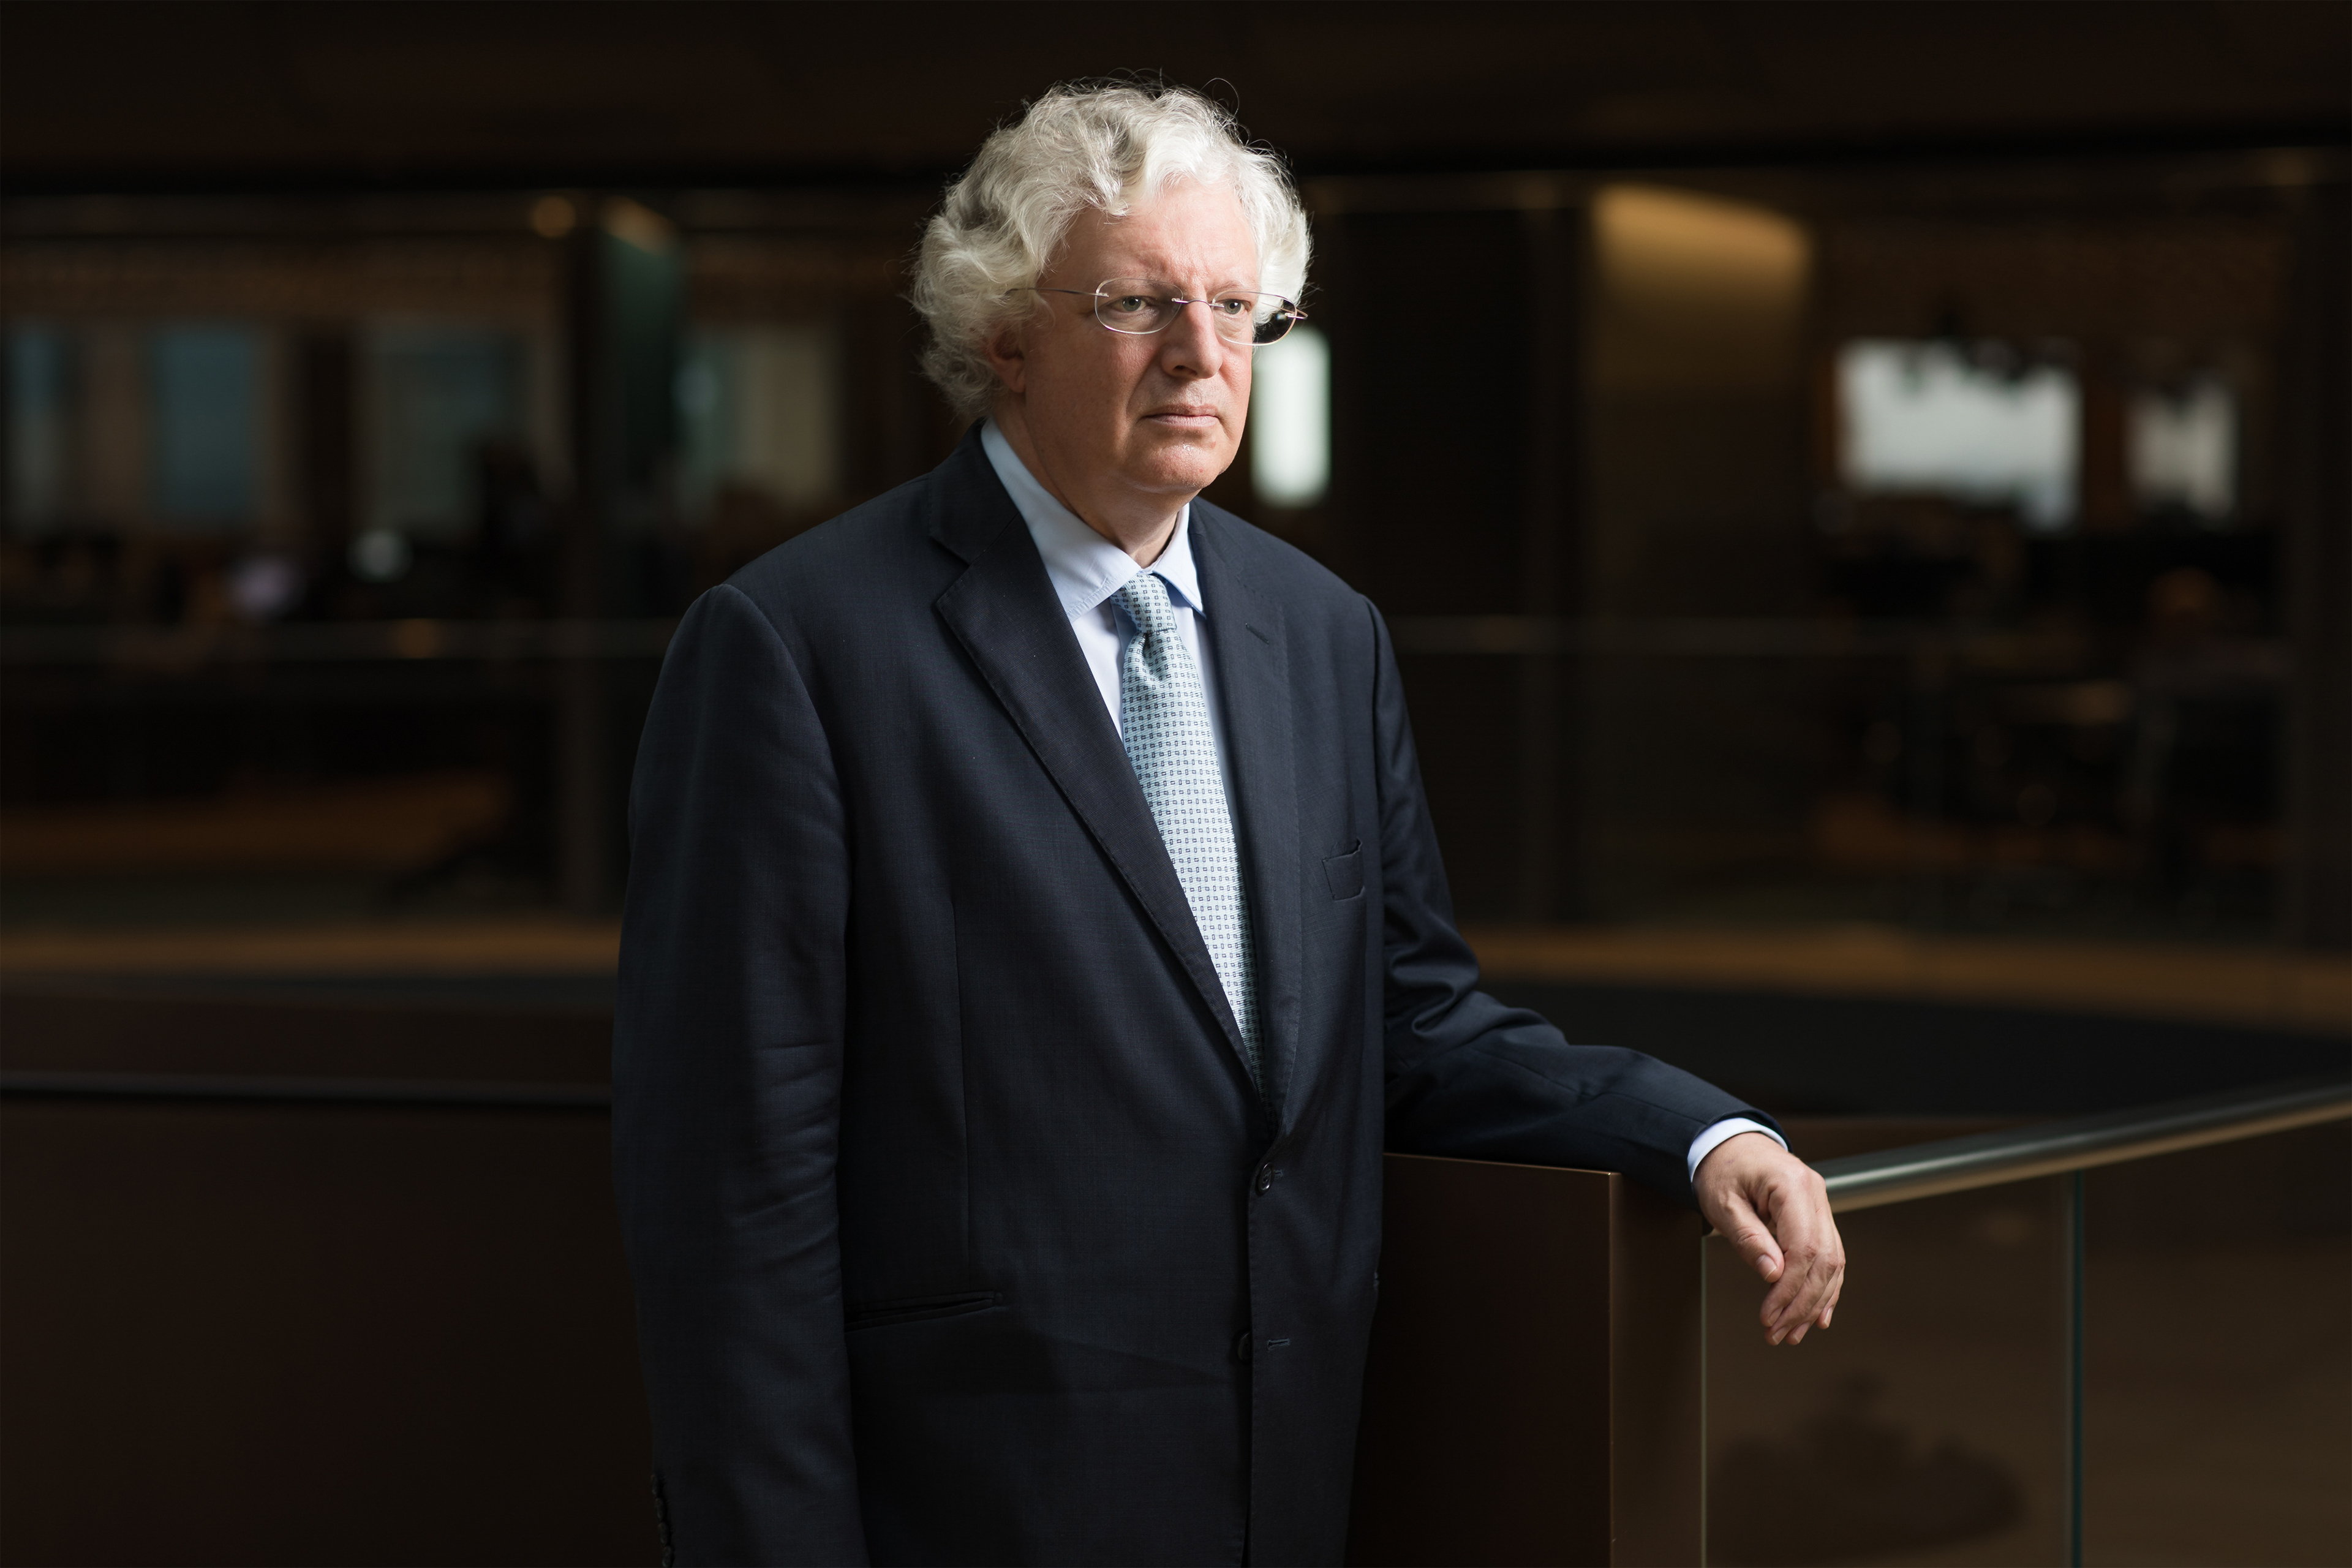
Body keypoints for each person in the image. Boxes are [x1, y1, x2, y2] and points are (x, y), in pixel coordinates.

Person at [614, 81, 1845, 1568]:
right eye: (1140, 304)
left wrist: (1698, 1132)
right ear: (1004, 334)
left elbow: (1412, 1020)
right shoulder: (795, 648)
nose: (1204, 354)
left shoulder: (1321, 632)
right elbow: (734, 1199)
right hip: (971, 1503)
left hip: (1285, 1481)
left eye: (1237, 309)